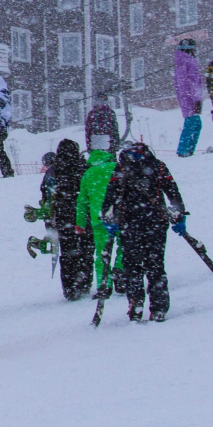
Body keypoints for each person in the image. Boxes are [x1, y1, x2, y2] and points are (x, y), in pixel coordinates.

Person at [102, 141, 186, 323]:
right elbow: (173, 193)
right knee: (156, 265)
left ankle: (135, 302)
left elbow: (109, 198)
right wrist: (179, 217)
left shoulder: (121, 168)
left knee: (132, 266)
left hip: (129, 224)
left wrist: (109, 221)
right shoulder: (158, 166)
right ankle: (159, 307)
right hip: (155, 223)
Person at [73, 128, 121, 299]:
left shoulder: (88, 174)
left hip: (98, 219)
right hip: (119, 215)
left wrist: (80, 223)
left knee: (101, 253)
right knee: (124, 247)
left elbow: (82, 201)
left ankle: (104, 285)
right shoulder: (117, 168)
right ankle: (120, 271)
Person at [49, 138, 92, 299]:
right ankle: (85, 282)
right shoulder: (84, 168)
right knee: (86, 250)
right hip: (83, 215)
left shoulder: (54, 171)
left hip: (63, 216)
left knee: (67, 253)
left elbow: (46, 194)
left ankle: (69, 288)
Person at [173, 39, 206, 156]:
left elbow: (179, 84)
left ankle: (186, 150)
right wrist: (197, 99)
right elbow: (194, 82)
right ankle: (185, 150)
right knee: (194, 124)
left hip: (184, 98)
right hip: (191, 99)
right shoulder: (190, 62)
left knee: (193, 122)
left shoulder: (179, 63)